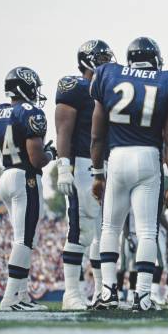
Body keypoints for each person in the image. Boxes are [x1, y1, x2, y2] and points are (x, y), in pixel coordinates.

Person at [90, 37, 168, 311]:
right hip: (148, 157)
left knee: (109, 227)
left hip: (117, 157)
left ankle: (108, 293)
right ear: (155, 59)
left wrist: (98, 173)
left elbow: (97, 136)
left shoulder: (108, 74)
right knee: (146, 230)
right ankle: (142, 296)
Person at [0, 67, 56, 311]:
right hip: (25, 177)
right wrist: (51, 153)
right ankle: (11, 299)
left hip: (6, 175)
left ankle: (22, 294)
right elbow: (37, 159)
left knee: (26, 238)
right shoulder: (30, 112)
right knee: (24, 239)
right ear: (24, 87)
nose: (36, 92)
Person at [55, 39, 115, 310]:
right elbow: (63, 130)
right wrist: (63, 166)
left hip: (105, 165)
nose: (107, 62)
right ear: (87, 60)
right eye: (101, 58)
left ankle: (102, 293)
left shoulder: (108, 88)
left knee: (103, 232)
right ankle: (71, 294)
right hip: (81, 163)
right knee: (81, 229)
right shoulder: (75, 87)